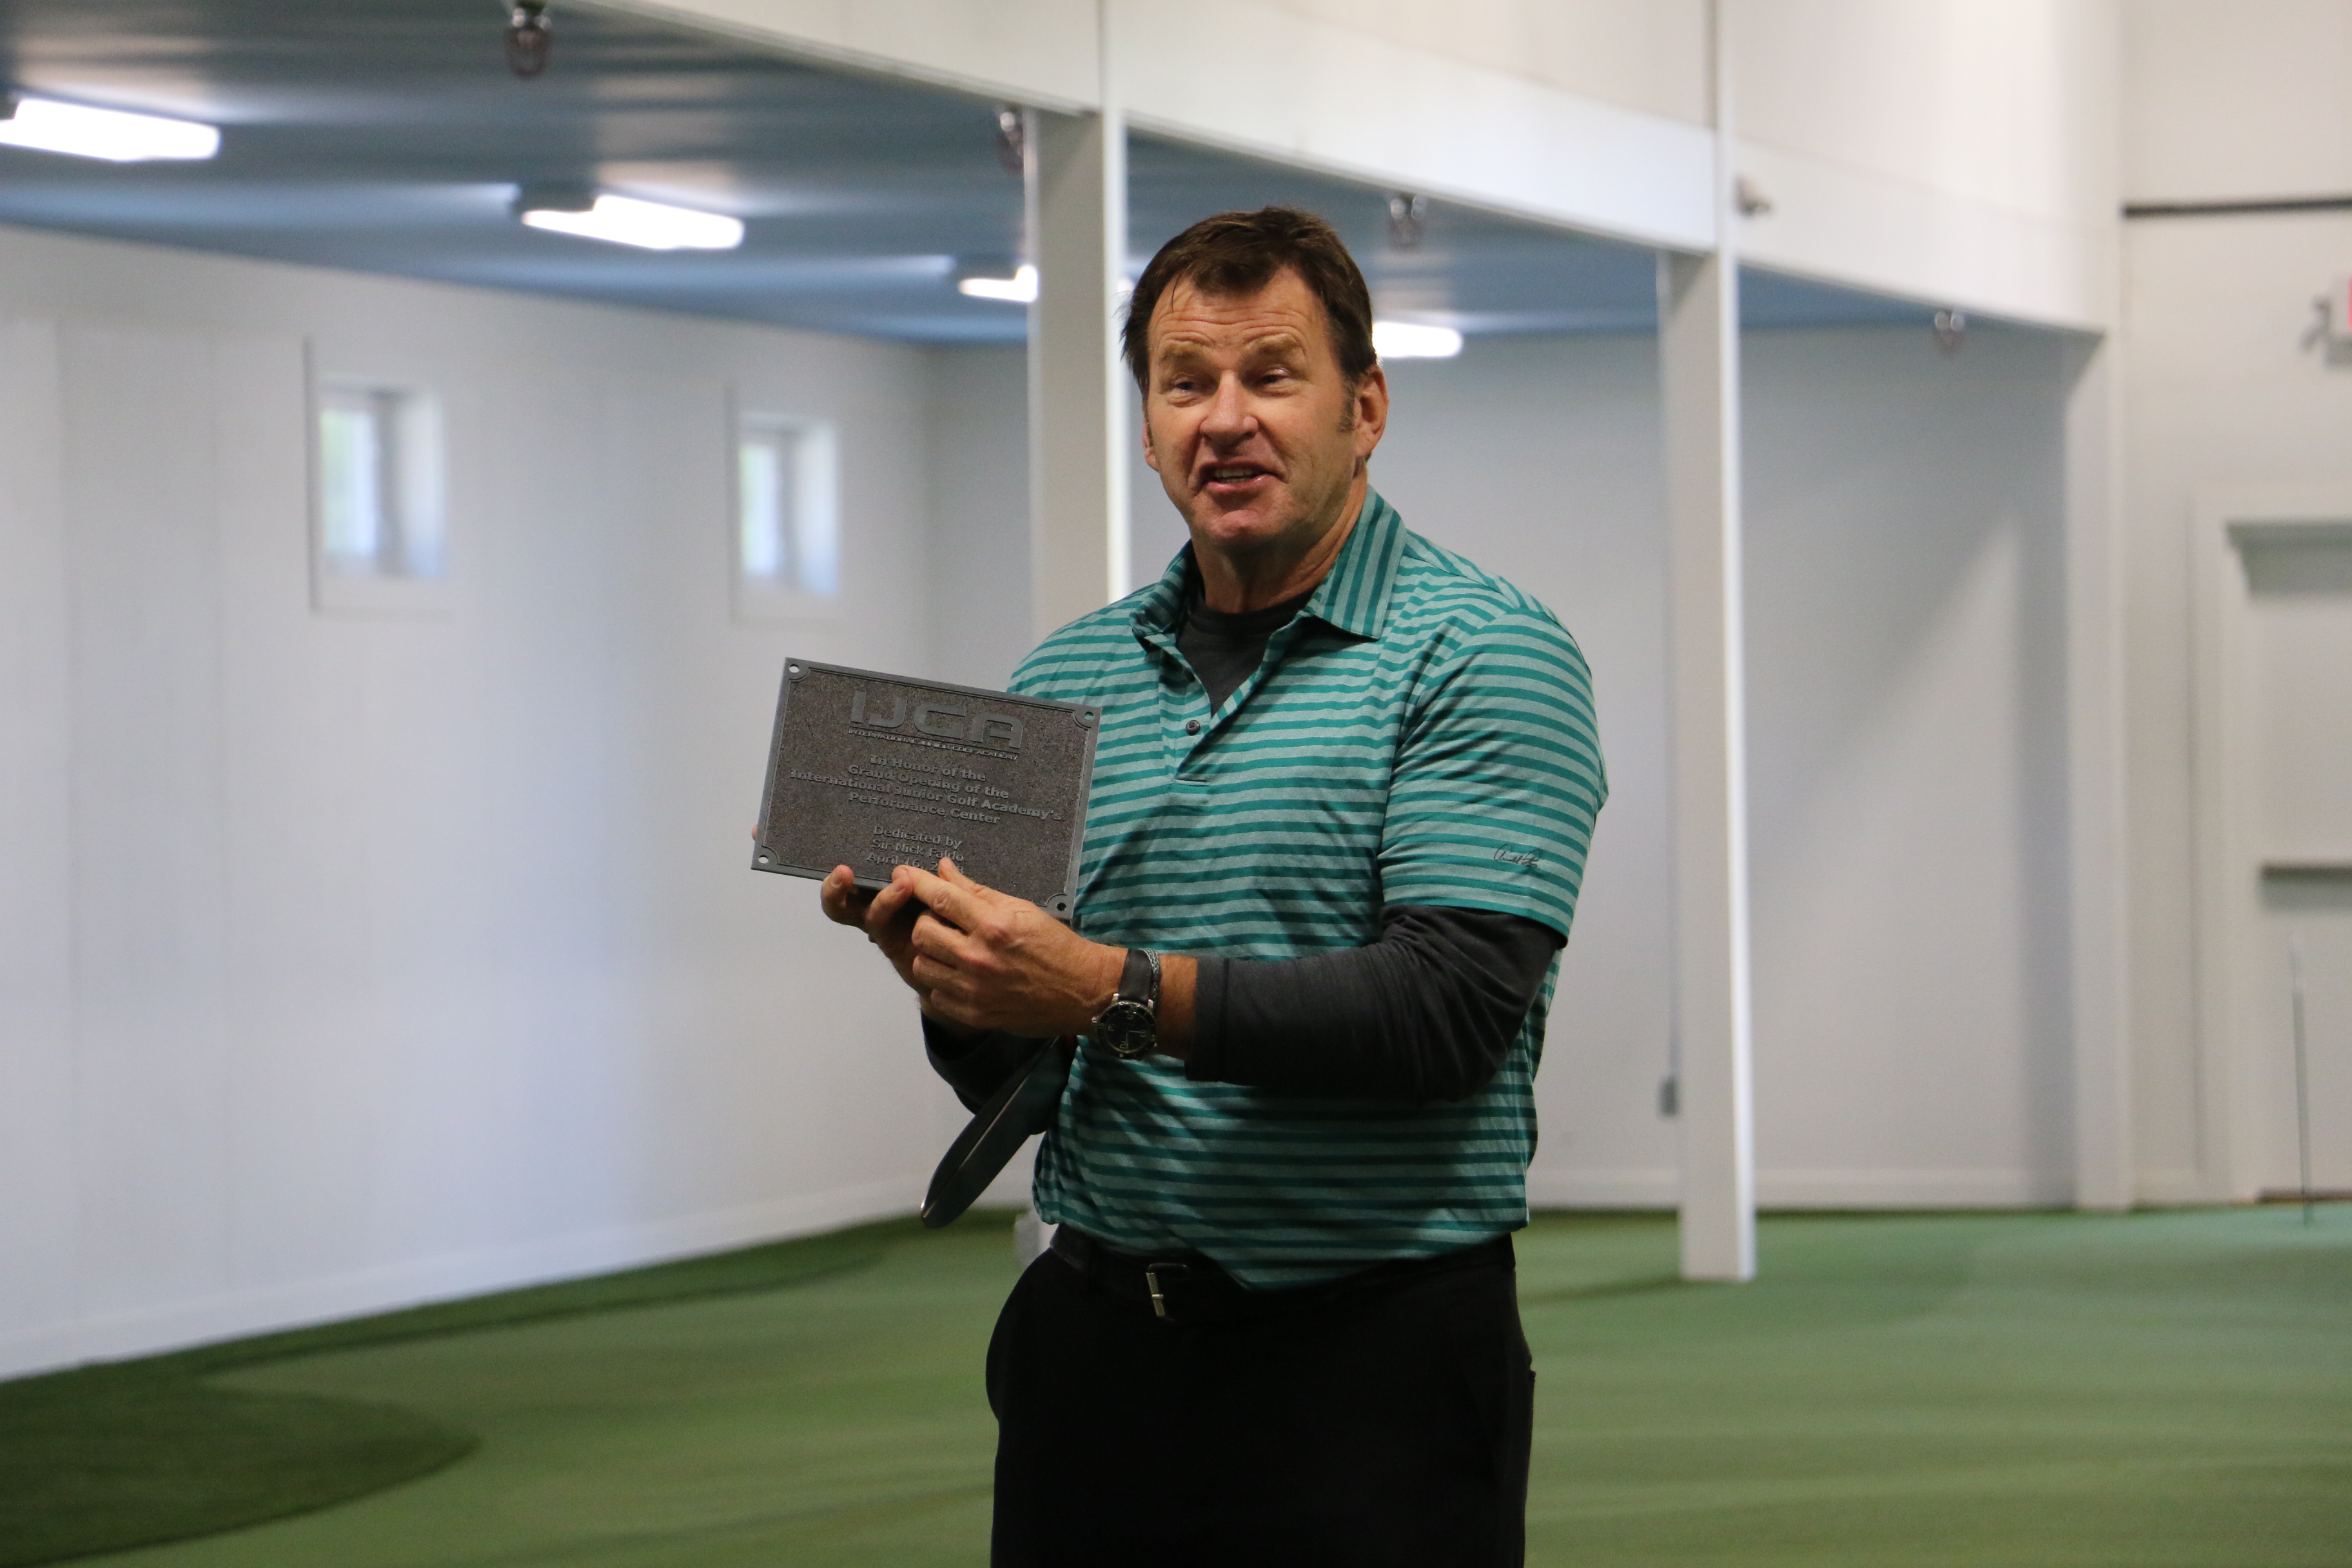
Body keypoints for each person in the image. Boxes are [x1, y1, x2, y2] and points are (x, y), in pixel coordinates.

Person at [819, 207, 1605, 1567]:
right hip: (1095, 1357)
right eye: (1186, 383)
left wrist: (1104, 987)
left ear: (1366, 407)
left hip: (1371, 1362)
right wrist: (962, 985)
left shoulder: (1485, 653)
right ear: (1147, 426)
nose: (1225, 420)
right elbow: (1035, 1070)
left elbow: (1446, 1013)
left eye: (1272, 376)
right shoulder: (1068, 680)